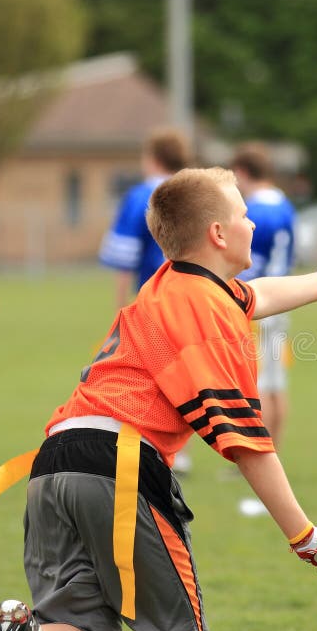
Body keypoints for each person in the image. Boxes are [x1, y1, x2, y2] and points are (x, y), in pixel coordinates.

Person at [0, 167, 317, 631]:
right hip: (118, 462)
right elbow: (245, 442)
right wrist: (303, 534)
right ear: (217, 233)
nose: (251, 224)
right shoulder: (207, 312)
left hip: (53, 463)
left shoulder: (170, 283)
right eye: (243, 215)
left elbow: (255, 295)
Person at [98, 127, 194, 474]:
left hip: (153, 300)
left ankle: (147, 447)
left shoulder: (141, 196)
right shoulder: (194, 192)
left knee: (146, 376)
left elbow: (124, 256)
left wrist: (119, 306)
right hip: (193, 296)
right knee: (186, 374)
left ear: (152, 158)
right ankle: (180, 452)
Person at [231, 142, 296, 450]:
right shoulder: (284, 204)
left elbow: (248, 267)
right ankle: (274, 451)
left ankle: (261, 453)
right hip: (284, 298)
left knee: (258, 384)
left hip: (260, 301)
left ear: (243, 172)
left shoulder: (256, 210)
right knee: (275, 382)